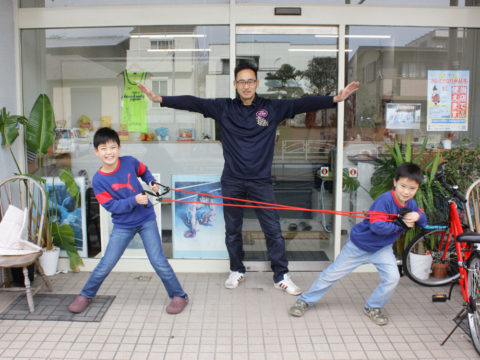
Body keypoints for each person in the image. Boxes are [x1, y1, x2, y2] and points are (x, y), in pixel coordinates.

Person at [138, 62, 359, 295]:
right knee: (233, 229)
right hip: (232, 180)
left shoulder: (271, 108)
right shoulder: (224, 108)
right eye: (241, 81)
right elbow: (194, 102)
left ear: (256, 83)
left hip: (260, 181)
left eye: (250, 81)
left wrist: (334, 99)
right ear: (235, 84)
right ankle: (236, 269)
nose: (246, 86)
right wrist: (160, 98)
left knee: (272, 229)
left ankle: (281, 275)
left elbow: (301, 103)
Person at [289, 162, 427, 325]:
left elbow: (422, 219)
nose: (406, 192)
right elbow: (377, 227)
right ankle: (305, 300)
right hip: (358, 246)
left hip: (381, 249)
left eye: (412, 188)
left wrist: (417, 217)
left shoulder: (410, 204)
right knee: (332, 274)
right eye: (403, 186)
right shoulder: (384, 200)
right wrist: (402, 224)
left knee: (392, 278)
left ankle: (373, 306)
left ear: (417, 189)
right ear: (395, 182)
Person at [68, 127, 188, 315]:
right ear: (96, 152)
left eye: (113, 147)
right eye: (104, 148)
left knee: (158, 261)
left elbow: (144, 171)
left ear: (119, 148)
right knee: (106, 264)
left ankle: (179, 296)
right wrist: (134, 200)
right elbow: (111, 207)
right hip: (122, 226)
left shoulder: (130, 162)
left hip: (146, 219)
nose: (109, 152)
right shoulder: (99, 180)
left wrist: (151, 182)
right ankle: (85, 295)